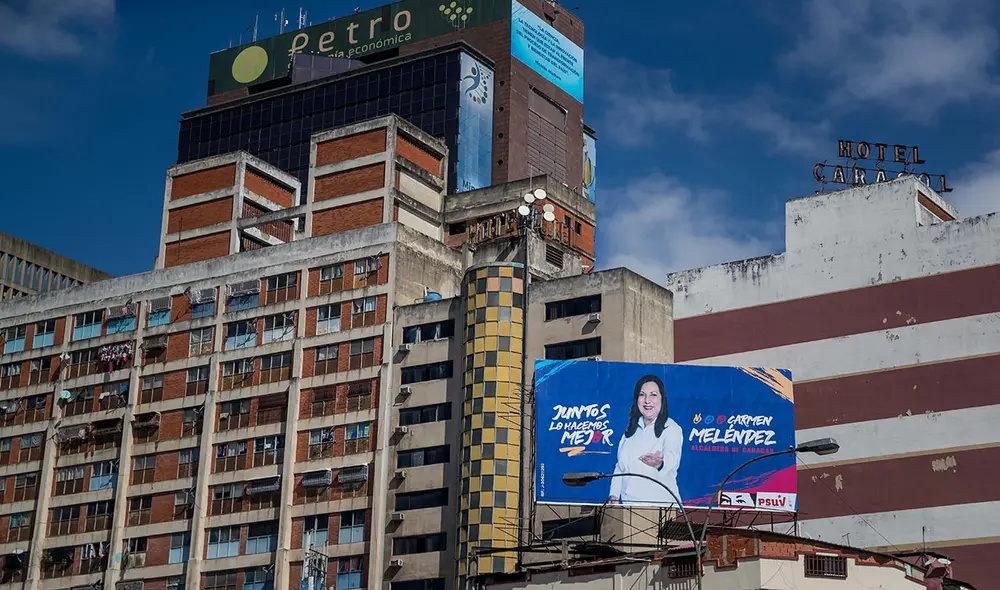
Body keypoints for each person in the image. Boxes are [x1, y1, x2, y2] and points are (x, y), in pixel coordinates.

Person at [608, 375, 683, 506]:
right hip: (629, 507)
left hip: (661, 508)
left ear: (662, 399)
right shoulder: (630, 431)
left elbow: (673, 460)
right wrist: (614, 495)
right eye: (642, 395)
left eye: (653, 395)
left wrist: (660, 462)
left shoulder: (671, 428)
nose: (647, 400)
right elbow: (620, 467)